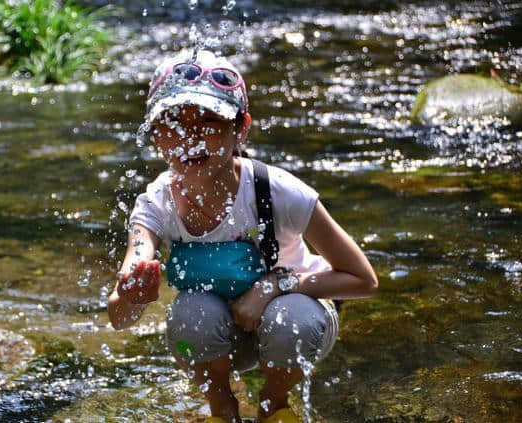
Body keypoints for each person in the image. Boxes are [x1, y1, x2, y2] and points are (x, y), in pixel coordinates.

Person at [108, 49, 378, 423]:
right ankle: (222, 407)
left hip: (291, 319)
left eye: (209, 119)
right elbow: (119, 317)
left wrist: (274, 285)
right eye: (173, 122)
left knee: (291, 317)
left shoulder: (279, 191)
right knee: (190, 313)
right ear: (157, 136)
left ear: (241, 129)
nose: (191, 137)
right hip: (222, 335)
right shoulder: (156, 204)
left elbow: (363, 280)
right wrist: (131, 294)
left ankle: (274, 404)